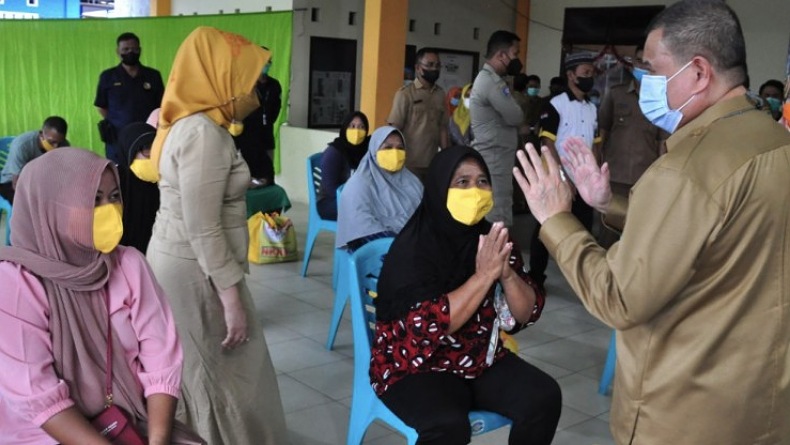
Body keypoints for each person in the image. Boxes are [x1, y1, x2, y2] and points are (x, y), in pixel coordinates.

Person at [513, 0, 790, 443]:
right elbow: (712, 231)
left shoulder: (688, 167)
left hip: (687, 411)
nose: (643, 82)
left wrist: (558, 219)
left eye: (652, 69)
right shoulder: (773, 140)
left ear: (698, 73)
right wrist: (608, 202)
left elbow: (619, 298)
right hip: (763, 405)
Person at [144, 27, 288, 445]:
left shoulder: (190, 122)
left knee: (218, 370)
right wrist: (232, 299)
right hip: (196, 269)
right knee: (221, 372)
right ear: (219, 75)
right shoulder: (202, 135)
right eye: (247, 77)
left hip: (192, 262)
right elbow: (202, 225)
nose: (255, 88)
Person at [0, 148, 202, 444]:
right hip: (42, 435)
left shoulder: (129, 264)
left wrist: (157, 441)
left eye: (114, 196)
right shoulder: (13, 283)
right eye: (93, 200)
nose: (109, 210)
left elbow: (162, 359)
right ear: (49, 207)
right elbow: (38, 397)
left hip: (131, 422)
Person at [371, 145, 561, 445]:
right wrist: (484, 275)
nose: (475, 190)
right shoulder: (414, 250)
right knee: (447, 427)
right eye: (462, 182)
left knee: (543, 397)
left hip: (477, 359)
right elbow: (432, 326)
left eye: (482, 181)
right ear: (439, 188)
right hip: (416, 365)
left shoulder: (491, 239)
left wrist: (507, 275)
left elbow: (526, 314)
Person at [527, 51, 600, 291]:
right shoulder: (555, 105)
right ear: (571, 75)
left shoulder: (592, 108)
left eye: (592, 73)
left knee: (582, 231)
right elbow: (547, 144)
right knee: (546, 229)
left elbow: (596, 144)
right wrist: (563, 178)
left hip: (584, 183)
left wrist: (594, 175)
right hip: (558, 181)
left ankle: (583, 281)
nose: (590, 77)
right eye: (585, 73)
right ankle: (536, 278)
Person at [597, 46, 668, 247]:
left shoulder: (661, 101)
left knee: (639, 234)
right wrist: (598, 167)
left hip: (645, 179)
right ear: (633, 63)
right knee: (608, 233)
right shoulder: (615, 94)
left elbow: (663, 144)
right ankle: (603, 275)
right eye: (639, 61)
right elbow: (602, 133)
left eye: (647, 63)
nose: (642, 66)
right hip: (614, 177)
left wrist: (661, 180)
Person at [336, 126, 422, 251]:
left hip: (414, 241)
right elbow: (363, 229)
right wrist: (400, 245)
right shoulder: (359, 185)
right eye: (387, 147)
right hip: (381, 250)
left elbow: (427, 214)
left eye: (400, 148)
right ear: (374, 150)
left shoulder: (412, 181)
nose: (395, 152)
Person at [470, 30, 524, 228]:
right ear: (501, 55)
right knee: (498, 215)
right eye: (515, 53)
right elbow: (516, 115)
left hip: (497, 157)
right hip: (494, 159)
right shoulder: (491, 82)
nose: (517, 59)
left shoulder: (492, 79)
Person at [95, 32, 164, 165]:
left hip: (147, 136)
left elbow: (161, 105)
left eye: (134, 49)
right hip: (117, 137)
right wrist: (117, 120)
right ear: (118, 51)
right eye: (125, 49)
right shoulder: (108, 76)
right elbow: (101, 106)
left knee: (148, 173)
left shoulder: (153, 75)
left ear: (140, 50)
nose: (130, 52)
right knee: (119, 173)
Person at [387, 47, 449, 182]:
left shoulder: (440, 94)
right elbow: (394, 130)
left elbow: (443, 128)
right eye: (430, 65)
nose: (434, 69)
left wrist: (446, 158)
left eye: (437, 65)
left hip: (433, 164)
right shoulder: (405, 94)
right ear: (418, 68)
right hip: (409, 165)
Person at [233, 46, 283, 185]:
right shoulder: (245, 86)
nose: (267, 64)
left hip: (266, 136)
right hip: (247, 137)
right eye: (264, 61)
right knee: (247, 176)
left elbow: (275, 109)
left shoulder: (274, 85)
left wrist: (265, 122)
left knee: (267, 175)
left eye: (269, 61)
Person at [0, 116, 69, 204]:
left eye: (59, 142)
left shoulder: (64, 146)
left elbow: (61, 174)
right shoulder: (22, 145)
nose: (56, 146)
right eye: (52, 142)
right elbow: (16, 183)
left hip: (40, 182)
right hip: (11, 183)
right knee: (30, 207)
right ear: (41, 134)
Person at [317, 111, 371, 220]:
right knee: (364, 210)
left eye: (361, 127)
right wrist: (355, 199)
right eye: (352, 126)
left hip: (357, 199)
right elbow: (330, 189)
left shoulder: (366, 150)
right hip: (330, 202)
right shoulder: (333, 153)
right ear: (345, 128)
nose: (357, 131)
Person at [117, 122, 160, 253]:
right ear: (129, 150)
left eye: (157, 147)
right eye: (147, 148)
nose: (153, 155)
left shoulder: (167, 182)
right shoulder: (114, 186)